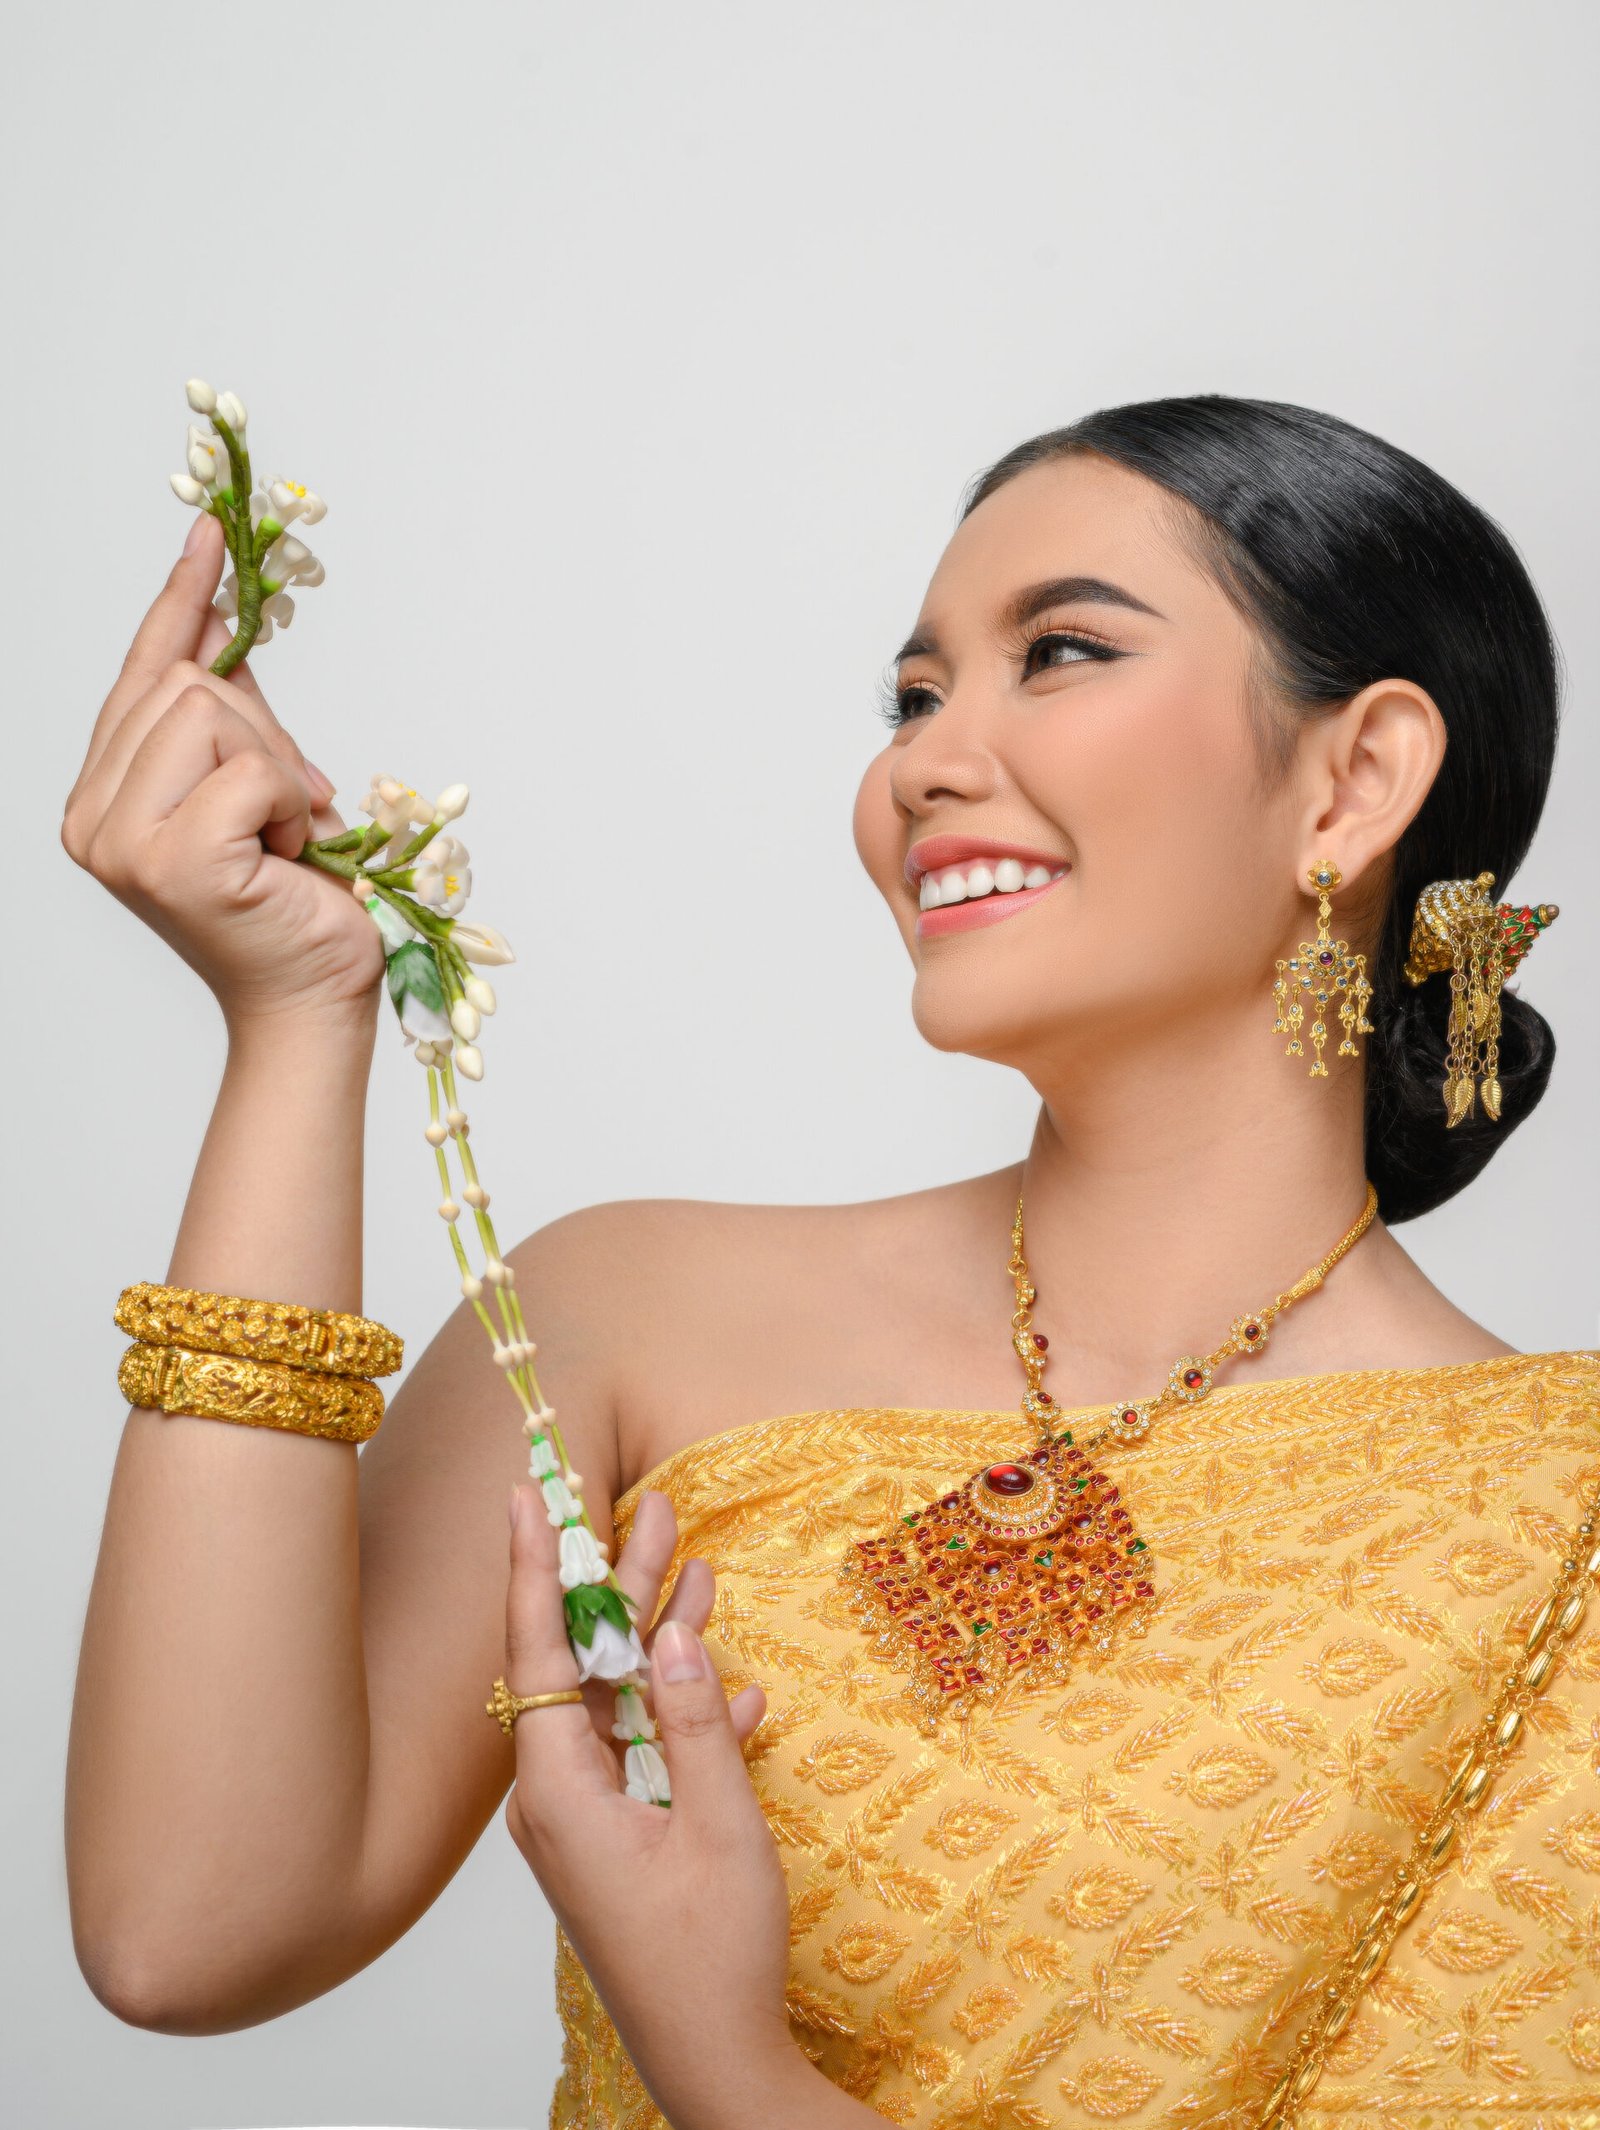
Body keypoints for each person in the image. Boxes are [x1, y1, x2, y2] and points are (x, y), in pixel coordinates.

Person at [62, 395, 1598, 2130]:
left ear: (1357, 777)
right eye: (916, 695)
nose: (922, 764)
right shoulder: (627, 1317)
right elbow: (184, 1927)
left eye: (1064, 652)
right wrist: (294, 1021)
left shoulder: (1563, 1510)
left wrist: (727, 2060)